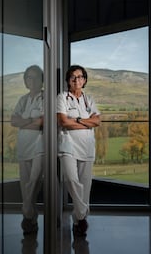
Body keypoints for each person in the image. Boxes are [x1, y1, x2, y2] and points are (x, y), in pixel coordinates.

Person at [57, 65, 101, 237]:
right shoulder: (62, 97)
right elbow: (63, 122)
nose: (77, 80)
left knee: (85, 187)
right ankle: (83, 215)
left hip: (87, 146)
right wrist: (84, 121)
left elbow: (97, 121)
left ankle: (78, 219)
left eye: (80, 77)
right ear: (68, 80)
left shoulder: (88, 99)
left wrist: (75, 119)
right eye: (73, 77)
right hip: (67, 145)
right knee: (71, 179)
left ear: (85, 80)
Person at [11, 65, 44, 235]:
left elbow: (42, 122)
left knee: (34, 182)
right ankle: (31, 217)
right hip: (23, 146)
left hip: (39, 147)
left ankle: (27, 213)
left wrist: (25, 121)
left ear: (41, 80)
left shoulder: (45, 98)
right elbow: (13, 121)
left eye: (36, 77)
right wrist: (32, 120)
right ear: (25, 81)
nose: (32, 81)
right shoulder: (23, 99)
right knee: (25, 184)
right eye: (29, 78)